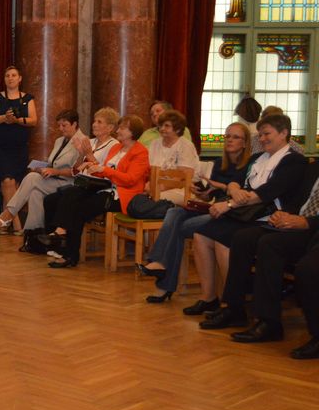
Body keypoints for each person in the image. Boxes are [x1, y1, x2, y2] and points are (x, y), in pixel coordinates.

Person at [197, 113, 308, 330]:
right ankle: (211, 298)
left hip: (268, 217)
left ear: (284, 133)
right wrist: (235, 190)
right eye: (261, 135)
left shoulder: (294, 161)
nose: (262, 139)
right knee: (202, 234)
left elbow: (267, 193)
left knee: (226, 239)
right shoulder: (258, 158)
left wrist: (230, 204)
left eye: (267, 134)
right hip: (246, 213)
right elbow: (235, 182)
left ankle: (232, 305)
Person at [137, 122, 253, 304]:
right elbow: (211, 197)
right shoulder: (219, 164)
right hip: (213, 208)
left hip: (230, 214)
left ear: (245, 143)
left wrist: (222, 187)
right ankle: (159, 267)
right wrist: (202, 193)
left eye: (235, 137)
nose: (230, 140)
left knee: (178, 227)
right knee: (174, 213)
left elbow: (244, 195)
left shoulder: (250, 166)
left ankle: (163, 281)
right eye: (227, 136)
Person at [215, 162, 319, 344]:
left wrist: (307, 222)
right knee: (244, 238)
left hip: (312, 228)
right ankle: (236, 309)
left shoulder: (295, 161)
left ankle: (270, 321)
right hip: (301, 224)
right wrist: (283, 214)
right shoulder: (314, 167)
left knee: (270, 244)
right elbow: (298, 200)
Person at [43, 115, 150, 269]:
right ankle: (62, 241)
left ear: (132, 132)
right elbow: (104, 172)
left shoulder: (141, 152)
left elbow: (130, 180)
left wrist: (103, 169)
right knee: (72, 194)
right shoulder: (117, 148)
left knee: (78, 209)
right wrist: (90, 166)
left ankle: (68, 251)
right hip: (105, 187)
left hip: (122, 195)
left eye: (122, 128)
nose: (118, 131)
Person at [0, 109, 86, 243]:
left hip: (69, 184)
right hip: (53, 180)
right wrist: (41, 167)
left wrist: (55, 172)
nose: (60, 128)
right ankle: (32, 237)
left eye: (64, 125)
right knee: (35, 193)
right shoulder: (59, 140)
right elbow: (54, 164)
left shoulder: (83, 141)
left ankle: (7, 215)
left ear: (75, 124)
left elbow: (78, 171)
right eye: (59, 125)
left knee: (31, 178)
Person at [0, 65, 38, 234]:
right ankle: (16, 224)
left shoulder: (28, 98)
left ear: (20, 78)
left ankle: (3, 224)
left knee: (12, 185)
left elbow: (33, 120)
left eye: (14, 75)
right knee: (8, 182)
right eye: (7, 75)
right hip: (1, 148)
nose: (10, 78)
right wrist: (4, 118)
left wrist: (17, 120)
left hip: (19, 148)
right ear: (4, 79)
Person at [127, 109, 200, 218]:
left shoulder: (185, 145)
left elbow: (183, 177)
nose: (162, 129)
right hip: (155, 187)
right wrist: (148, 185)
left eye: (167, 126)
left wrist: (158, 187)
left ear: (177, 129)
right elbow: (149, 170)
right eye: (161, 125)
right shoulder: (155, 144)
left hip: (183, 190)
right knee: (133, 198)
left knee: (149, 202)